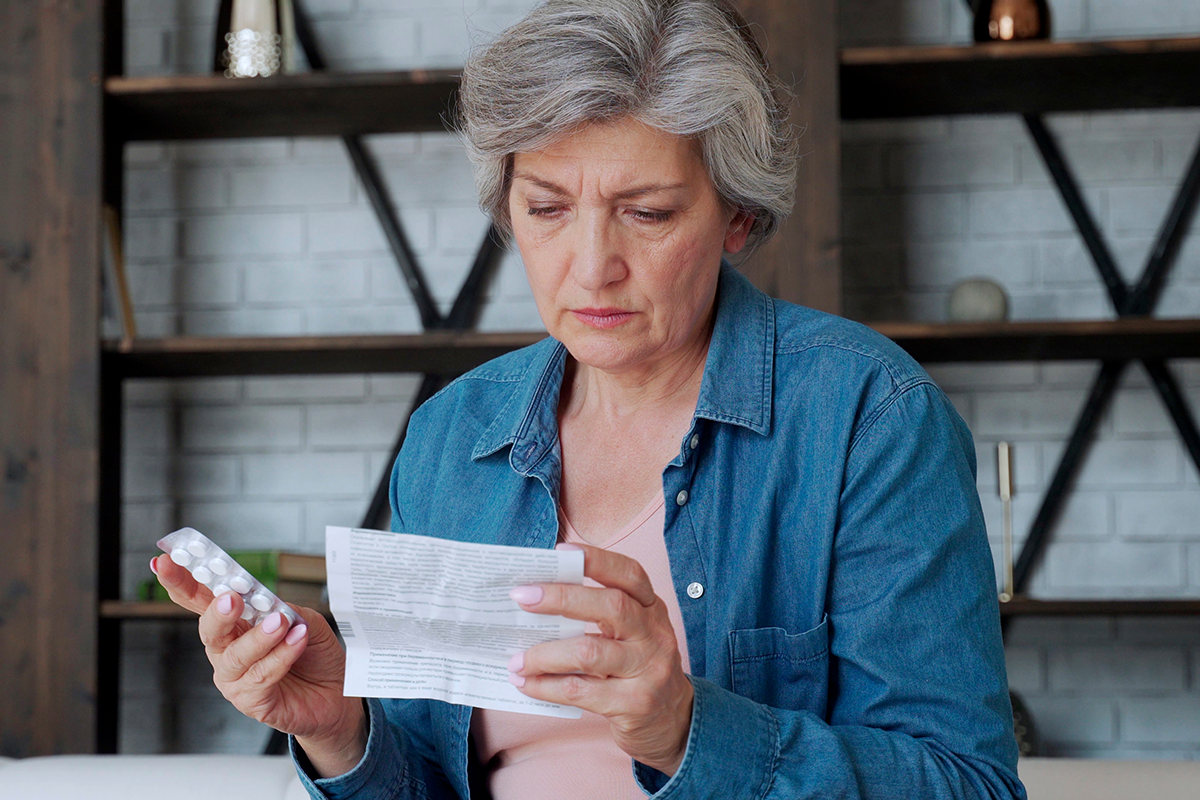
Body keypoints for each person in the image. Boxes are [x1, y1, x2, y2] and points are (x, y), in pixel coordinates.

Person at [153, 1, 1026, 798]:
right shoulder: (454, 436)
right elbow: (424, 782)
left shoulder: (867, 416)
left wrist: (687, 730)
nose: (591, 264)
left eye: (645, 213)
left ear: (737, 218)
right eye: (547, 209)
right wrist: (345, 733)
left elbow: (967, 784)